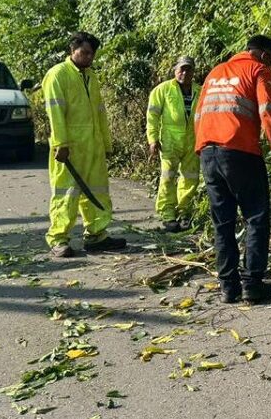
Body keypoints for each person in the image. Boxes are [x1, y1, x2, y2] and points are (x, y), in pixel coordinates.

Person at [195, 35, 271, 304]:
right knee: (255, 216)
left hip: (207, 152)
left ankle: (228, 287)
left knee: (223, 222)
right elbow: (268, 110)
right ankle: (252, 284)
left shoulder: (215, 72)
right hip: (240, 152)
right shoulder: (258, 69)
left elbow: (199, 114)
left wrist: (204, 149)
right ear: (265, 55)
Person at [41, 31, 127, 257]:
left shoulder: (91, 76)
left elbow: (100, 112)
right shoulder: (57, 75)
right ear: (73, 50)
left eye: (92, 54)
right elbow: (55, 111)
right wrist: (61, 143)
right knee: (66, 193)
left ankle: (96, 235)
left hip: (92, 145)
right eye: (85, 52)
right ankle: (59, 239)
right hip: (69, 147)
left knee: (97, 191)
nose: (89, 57)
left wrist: (105, 143)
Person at [147, 56, 201, 232]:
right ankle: (168, 215)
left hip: (192, 140)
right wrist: (153, 139)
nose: (185, 73)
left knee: (190, 177)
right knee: (168, 177)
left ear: (193, 72)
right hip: (169, 141)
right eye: (181, 69)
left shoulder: (199, 91)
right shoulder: (162, 90)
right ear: (175, 70)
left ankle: (185, 213)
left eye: (188, 69)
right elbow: (152, 117)